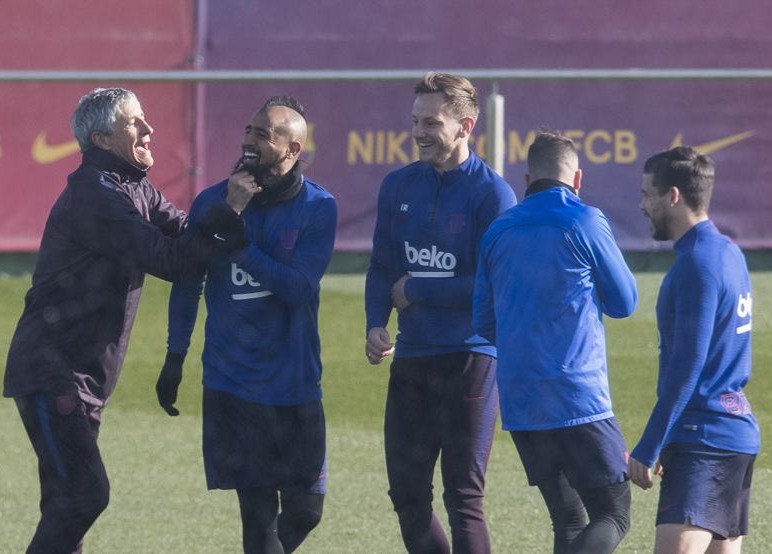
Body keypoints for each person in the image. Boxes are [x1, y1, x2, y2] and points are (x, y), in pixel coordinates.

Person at [3, 87, 252, 554]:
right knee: (85, 495)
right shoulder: (96, 195)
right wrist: (231, 209)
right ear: (100, 139)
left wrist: (235, 207)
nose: (149, 129)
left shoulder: (133, 184)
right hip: (52, 372)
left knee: (64, 503)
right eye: (134, 123)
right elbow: (174, 261)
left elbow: (185, 233)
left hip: (79, 377)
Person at [155, 95, 337, 554]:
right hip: (232, 382)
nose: (250, 141)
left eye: (265, 133)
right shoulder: (212, 203)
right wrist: (175, 355)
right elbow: (187, 283)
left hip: (296, 382)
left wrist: (238, 246)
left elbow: (297, 288)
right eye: (248, 131)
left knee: (305, 513)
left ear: (294, 149)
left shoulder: (319, 207)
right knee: (258, 521)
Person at [365, 72, 516, 553]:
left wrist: (420, 287)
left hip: (470, 360)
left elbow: (492, 288)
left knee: (463, 497)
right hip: (412, 359)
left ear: (466, 125)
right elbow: (381, 266)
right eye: (415, 121)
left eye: (432, 122)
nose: (420, 132)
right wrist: (375, 322)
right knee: (407, 495)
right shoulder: (398, 186)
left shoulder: (493, 195)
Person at [473, 129, 637, 553]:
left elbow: (483, 320)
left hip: (523, 403)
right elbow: (625, 302)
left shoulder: (497, 230)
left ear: (527, 179)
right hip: (578, 397)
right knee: (614, 514)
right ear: (577, 178)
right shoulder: (584, 219)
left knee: (567, 518)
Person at [628, 146, 760, 553]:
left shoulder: (696, 265)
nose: (642, 205)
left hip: (703, 439)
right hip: (734, 435)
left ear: (673, 196)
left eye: (648, 194)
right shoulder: (729, 253)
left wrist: (650, 446)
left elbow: (688, 366)